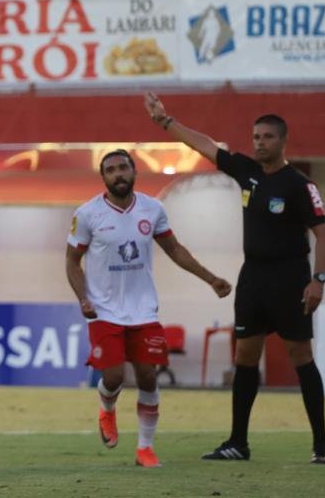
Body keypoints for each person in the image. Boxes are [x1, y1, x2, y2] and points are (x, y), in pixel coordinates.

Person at [144, 93, 325, 464]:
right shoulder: (246, 171)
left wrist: (318, 280)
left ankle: (321, 445)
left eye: (267, 137)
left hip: (290, 278)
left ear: (282, 141)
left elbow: (324, 234)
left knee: (301, 356)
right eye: (256, 137)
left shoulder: (298, 185)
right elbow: (204, 145)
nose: (260, 142)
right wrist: (165, 121)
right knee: (245, 355)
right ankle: (237, 442)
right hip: (253, 278)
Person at [66, 148, 232, 468]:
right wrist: (82, 296)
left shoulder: (152, 209)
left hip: (144, 310)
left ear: (134, 172)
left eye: (123, 168)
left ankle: (145, 448)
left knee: (148, 377)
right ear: (103, 178)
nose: (118, 174)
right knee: (113, 376)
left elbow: (175, 250)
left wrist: (211, 279)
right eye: (111, 170)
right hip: (103, 310)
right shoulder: (87, 215)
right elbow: (72, 261)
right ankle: (107, 409)